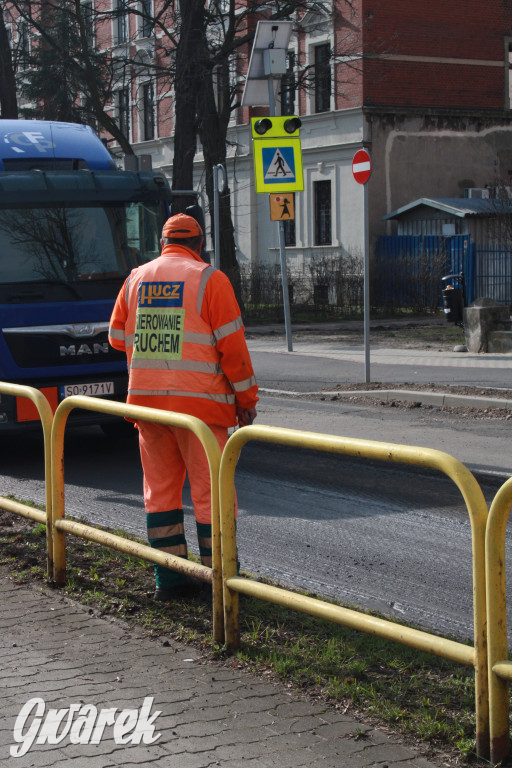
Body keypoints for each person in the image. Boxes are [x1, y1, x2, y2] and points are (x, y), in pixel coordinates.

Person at [108, 213, 258, 600]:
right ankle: (219, 579)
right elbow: (233, 351)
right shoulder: (211, 279)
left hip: (148, 407)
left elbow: (116, 337)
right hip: (202, 412)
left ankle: (170, 579)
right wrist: (246, 401)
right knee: (211, 494)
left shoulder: (136, 278)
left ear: (163, 242)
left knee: (159, 492)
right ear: (199, 242)